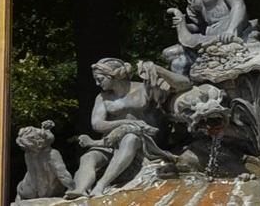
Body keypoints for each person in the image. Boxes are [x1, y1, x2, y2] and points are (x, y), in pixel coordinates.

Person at [67, 58, 181, 198]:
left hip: (144, 139)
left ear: (113, 76)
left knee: (130, 139)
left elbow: (184, 84)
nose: (97, 83)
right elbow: (97, 124)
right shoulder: (102, 97)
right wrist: (125, 124)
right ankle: (81, 189)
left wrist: (158, 69)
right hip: (112, 140)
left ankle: (101, 185)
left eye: (100, 79)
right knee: (89, 156)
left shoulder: (145, 89)